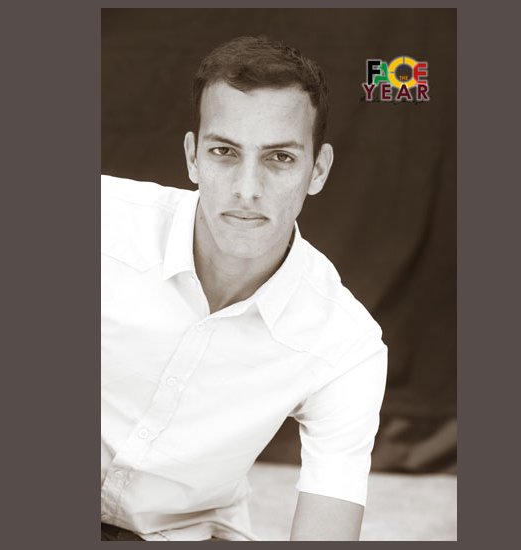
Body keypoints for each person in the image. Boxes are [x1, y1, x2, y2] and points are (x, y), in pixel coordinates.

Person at [101, 36, 388, 541]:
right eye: (224, 152)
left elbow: (328, 519)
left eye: (279, 158)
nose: (247, 189)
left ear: (318, 170)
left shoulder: (346, 344)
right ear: (193, 158)